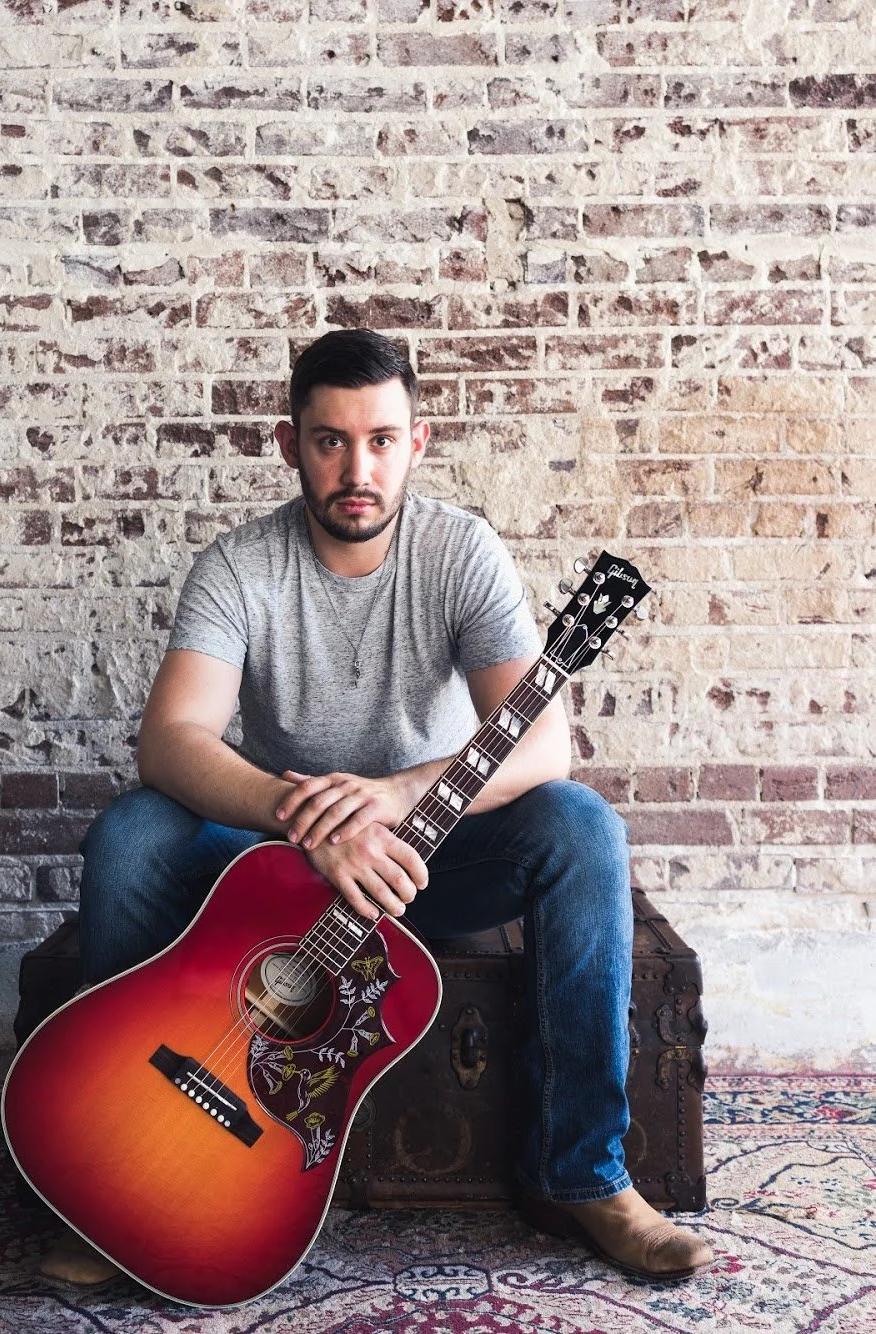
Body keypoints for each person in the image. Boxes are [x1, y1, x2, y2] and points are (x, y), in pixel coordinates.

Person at [41, 328, 714, 1288]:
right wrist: (307, 817)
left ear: (417, 442)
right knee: (132, 834)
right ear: (289, 444)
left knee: (582, 827)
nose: (357, 470)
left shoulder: (460, 552)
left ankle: (584, 1174)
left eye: (382, 440)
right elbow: (172, 739)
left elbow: (542, 746)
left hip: (425, 860)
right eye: (330, 441)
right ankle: (109, 1161)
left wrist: (396, 795)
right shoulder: (239, 566)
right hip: (275, 866)